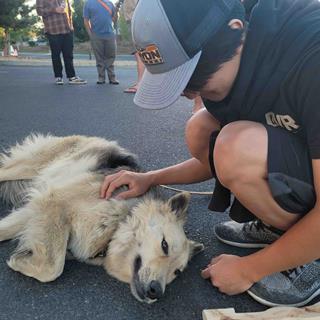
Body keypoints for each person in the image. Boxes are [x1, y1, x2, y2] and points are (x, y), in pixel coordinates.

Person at [100, 0, 320, 308]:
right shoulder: (236, 59)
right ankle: (284, 229)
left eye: (197, 81)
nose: (191, 93)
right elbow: (213, 163)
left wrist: (249, 268)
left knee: (233, 144)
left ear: (235, 31)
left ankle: (312, 257)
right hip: (303, 149)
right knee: (201, 129)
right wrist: (150, 177)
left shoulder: (310, 55)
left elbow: (232, 156)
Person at [36, 0, 87, 85]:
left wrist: (71, 27)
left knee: (69, 55)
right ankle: (58, 77)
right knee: (56, 55)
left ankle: (72, 77)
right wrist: (54, 9)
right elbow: (39, 11)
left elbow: (68, 11)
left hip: (67, 30)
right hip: (53, 30)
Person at [83, 0, 119, 85]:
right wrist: (90, 34)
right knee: (99, 58)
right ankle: (101, 78)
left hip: (110, 34)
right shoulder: (88, 3)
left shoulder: (110, 3)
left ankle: (112, 78)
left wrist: (116, 12)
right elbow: (86, 20)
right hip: (96, 34)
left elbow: (114, 20)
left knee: (111, 57)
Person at [122, 0, 145, 93]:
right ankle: (143, 83)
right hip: (138, 19)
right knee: (143, 52)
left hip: (135, 20)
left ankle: (141, 84)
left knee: (139, 53)